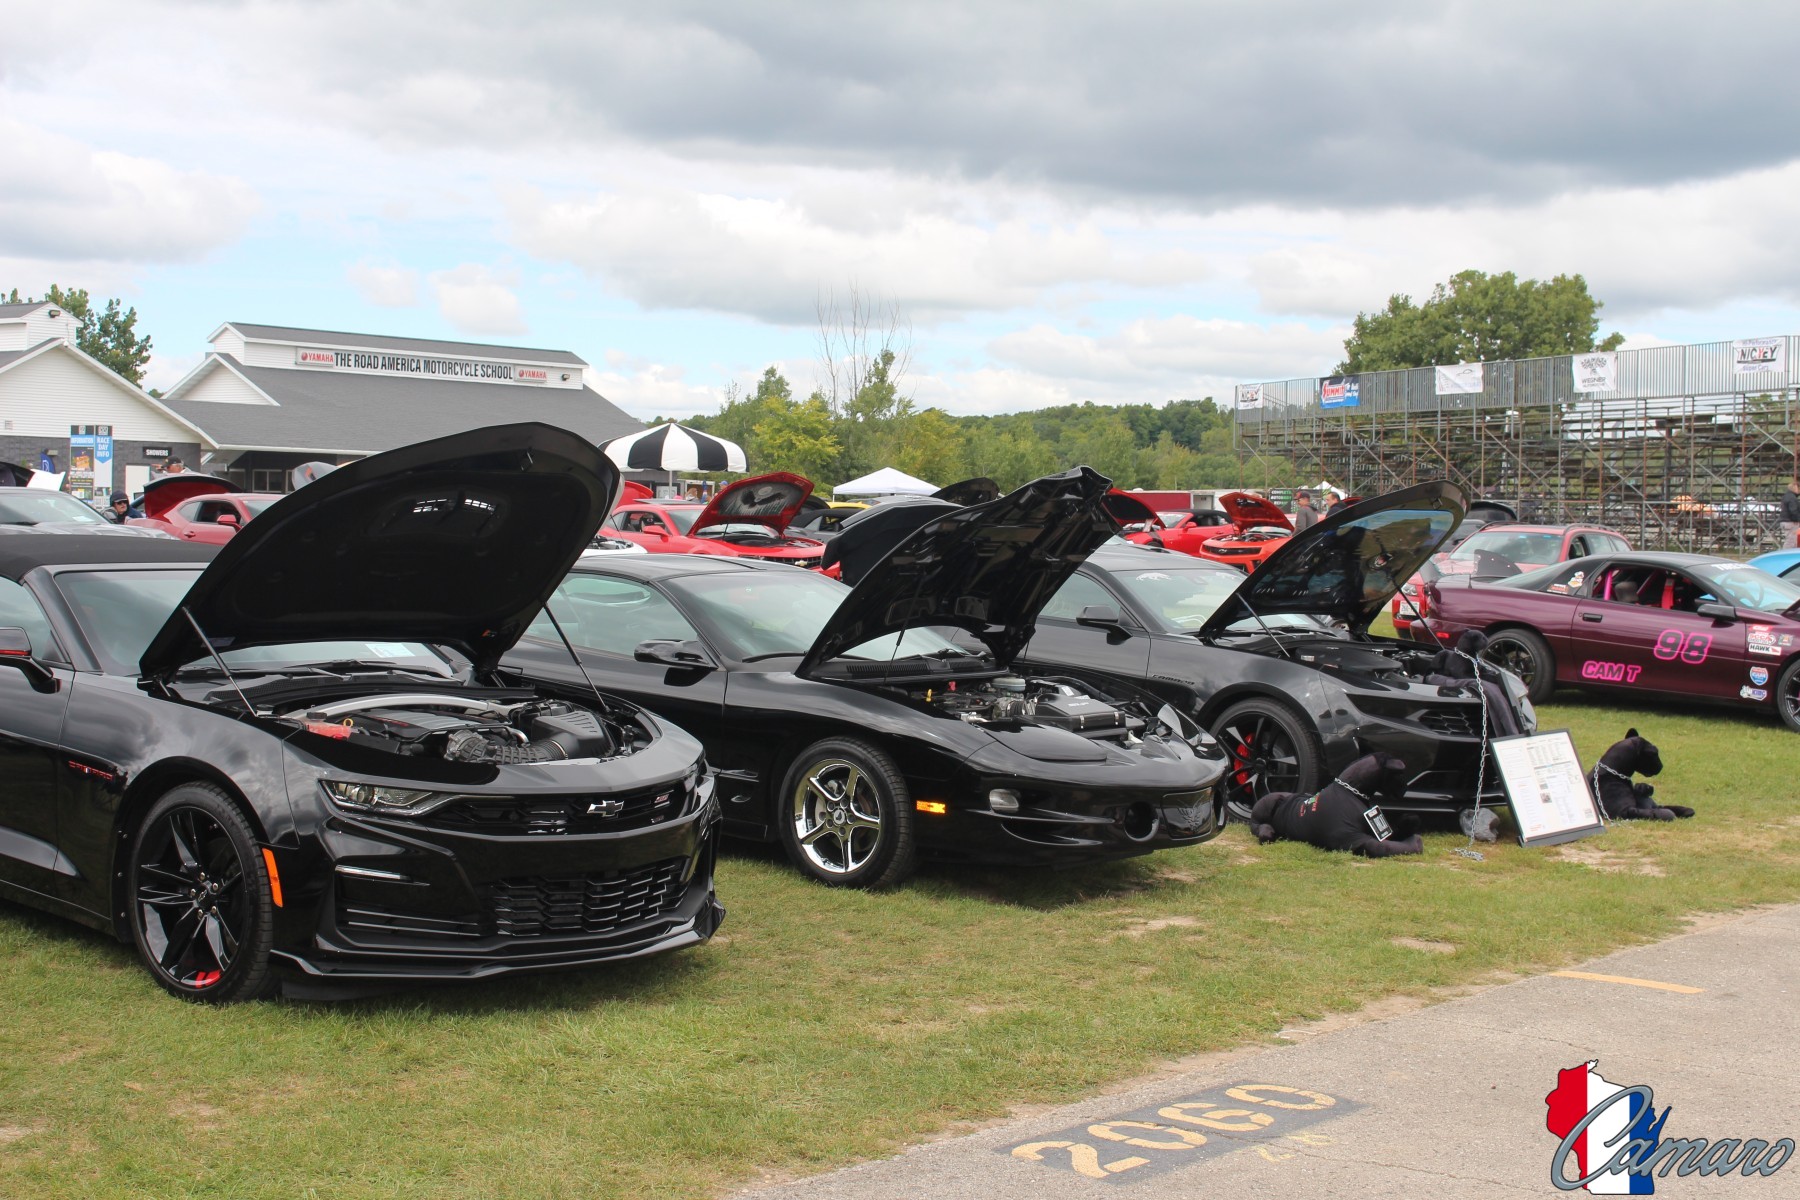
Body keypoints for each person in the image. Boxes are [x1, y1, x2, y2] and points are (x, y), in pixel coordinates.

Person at [1781, 477, 1800, 549]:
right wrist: (1797, 519)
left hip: (1786, 521)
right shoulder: (1792, 498)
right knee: (1791, 541)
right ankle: (1786, 554)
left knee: (1790, 540)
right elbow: (1793, 510)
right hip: (1791, 522)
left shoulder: (1787, 496)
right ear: (1795, 488)